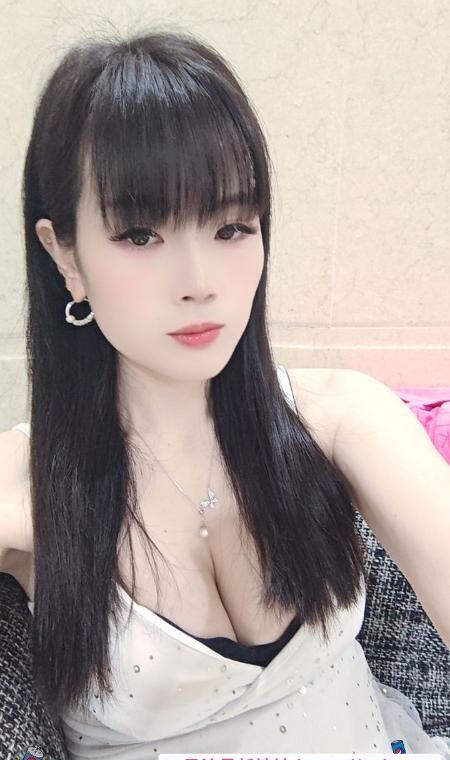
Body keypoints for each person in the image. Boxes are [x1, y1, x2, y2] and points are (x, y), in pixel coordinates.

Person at [2, 27, 449, 759]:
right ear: (65, 255)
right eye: (140, 235)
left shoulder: (341, 418)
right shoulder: (28, 485)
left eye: (232, 226)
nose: (199, 281)